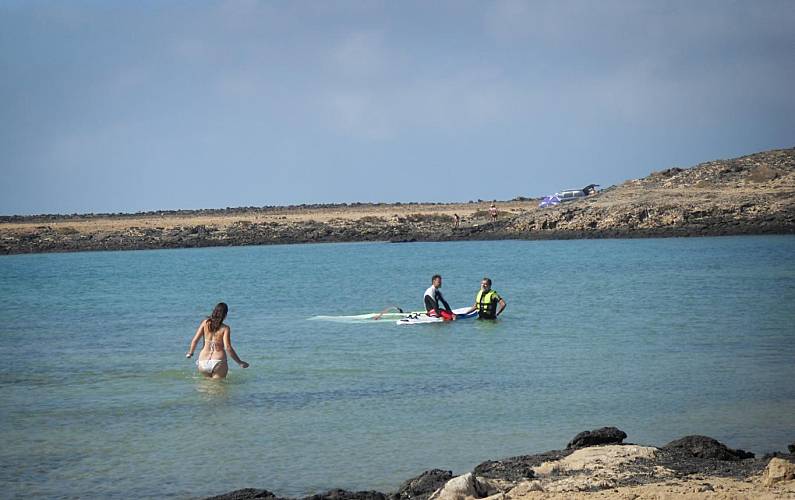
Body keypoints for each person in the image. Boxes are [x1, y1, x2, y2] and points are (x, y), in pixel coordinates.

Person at [186, 302, 249, 378]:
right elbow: (228, 347)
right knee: (218, 388)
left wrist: (190, 353)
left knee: (207, 387)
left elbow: (195, 340)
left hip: (203, 361)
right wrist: (240, 362)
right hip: (218, 362)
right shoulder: (225, 328)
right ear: (225, 315)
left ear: (214, 312)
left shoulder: (204, 323)